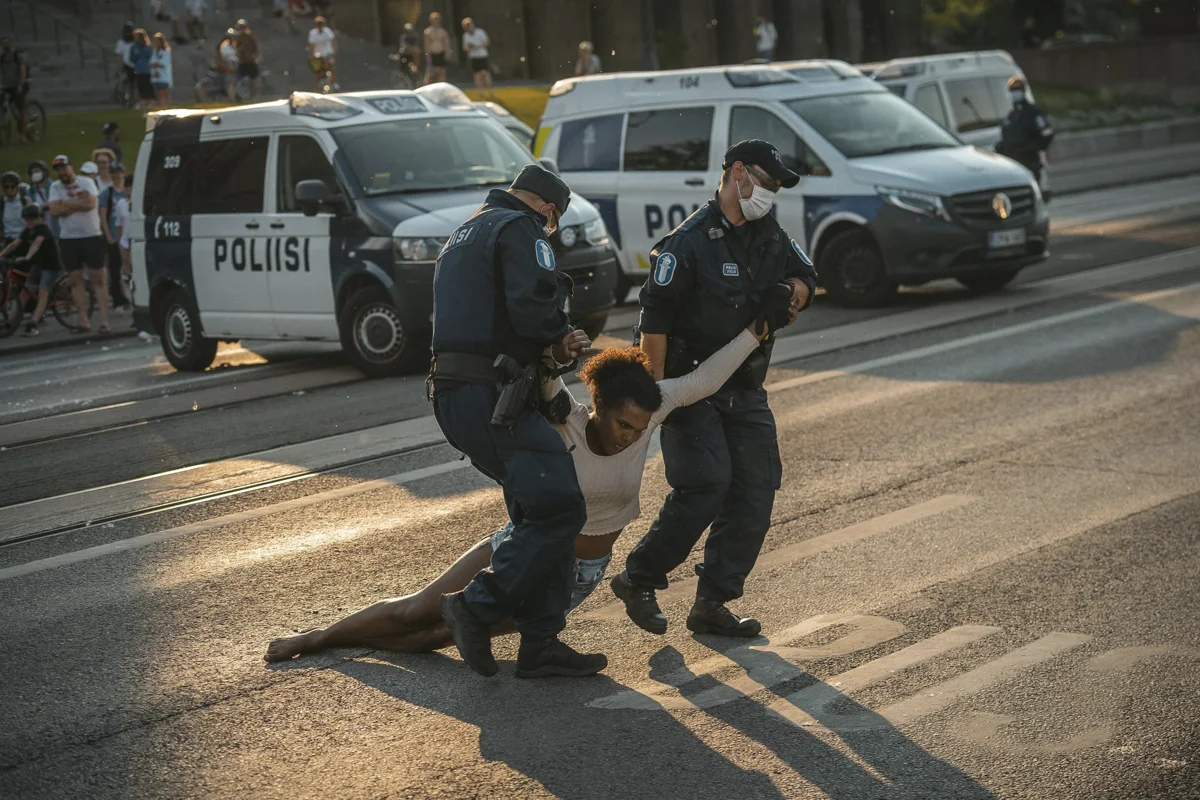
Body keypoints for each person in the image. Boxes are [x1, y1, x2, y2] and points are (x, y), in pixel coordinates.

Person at [264, 319, 784, 664]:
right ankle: (317, 639)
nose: (631, 435)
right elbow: (539, 373)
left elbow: (707, 379)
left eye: (638, 428)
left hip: (578, 576)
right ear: (598, 405)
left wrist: (756, 331)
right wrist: (556, 347)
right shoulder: (564, 420)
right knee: (417, 611)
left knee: (435, 639)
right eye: (623, 424)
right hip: (522, 547)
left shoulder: (652, 408)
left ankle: (364, 646)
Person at [610, 139, 817, 638]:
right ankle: (638, 577)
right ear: (738, 173)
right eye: (765, 183)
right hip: (690, 388)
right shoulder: (689, 244)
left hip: (744, 387)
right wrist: (654, 399)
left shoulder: (769, 234)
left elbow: (807, 276)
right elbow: (653, 325)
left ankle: (713, 603)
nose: (769, 194)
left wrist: (791, 294)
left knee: (755, 491)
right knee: (706, 484)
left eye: (775, 188)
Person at [425, 164, 600, 679]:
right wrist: (561, 334)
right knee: (562, 507)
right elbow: (531, 308)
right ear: (548, 210)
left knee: (536, 507)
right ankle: (475, 607)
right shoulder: (520, 229)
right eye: (553, 224)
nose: (550, 233)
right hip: (490, 396)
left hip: (460, 393)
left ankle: (541, 643)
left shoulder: (466, 231)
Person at [48, 155, 111, 335]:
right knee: (75, 280)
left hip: (91, 236)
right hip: (68, 238)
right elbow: (54, 210)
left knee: (98, 278)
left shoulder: (86, 182)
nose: (62, 172)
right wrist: (76, 204)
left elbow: (90, 204)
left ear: (71, 167)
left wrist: (64, 203)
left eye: (64, 168)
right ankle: (84, 320)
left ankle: (105, 321)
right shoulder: (55, 187)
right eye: (58, 169)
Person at [0, 204, 61, 337]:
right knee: (25, 293)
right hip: (38, 265)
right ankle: (12, 320)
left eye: (32, 219)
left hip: (50, 266)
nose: (29, 221)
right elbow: (15, 244)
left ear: (40, 218)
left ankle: (33, 323)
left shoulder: (43, 229)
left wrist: (27, 257)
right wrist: (1, 255)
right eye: (27, 219)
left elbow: (36, 244)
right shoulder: (28, 230)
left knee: (43, 292)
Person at [997, 76, 1054, 195]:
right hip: (1014, 165)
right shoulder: (1011, 116)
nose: (1015, 93)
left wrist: (1032, 148)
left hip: (1030, 163)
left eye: (1018, 89)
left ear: (1023, 91)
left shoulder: (1034, 112)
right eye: (1012, 90)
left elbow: (1047, 134)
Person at [99, 162, 129, 310]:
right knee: (115, 269)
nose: (116, 175)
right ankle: (119, 299)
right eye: (113, 173)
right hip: (113, 235)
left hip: (127, 234)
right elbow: (104, 217)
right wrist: (109, 236)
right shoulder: (107, 193)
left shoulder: (127, 191)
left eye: (118, 172)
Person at [0, 36, 29, 143]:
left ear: (11, 43)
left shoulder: (16, 56)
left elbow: (22, 70)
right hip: (6, 86)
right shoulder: (2, 57)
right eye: (3, 43)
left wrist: (20, 85)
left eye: (7, 43)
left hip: (17, 86)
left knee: (22, 110)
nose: (5, 45)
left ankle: (23, 136)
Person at [461, 17, 493, 99]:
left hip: (482, 55)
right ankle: (480, 92)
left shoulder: (480, 32)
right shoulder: (466, 36)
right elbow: (465, 48)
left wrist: (477, 46)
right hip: (474, 57)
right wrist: (469, 47)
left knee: (486, 74)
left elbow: (486, 43)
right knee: (477, 75)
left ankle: (490, 91)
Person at [308, 16, 338, 91]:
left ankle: (334, 83)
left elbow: (333, 42)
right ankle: (316, 88)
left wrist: (334, 51)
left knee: (331, 67)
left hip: (328, 52)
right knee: (318, 72)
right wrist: (311, 56)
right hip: (318, 54)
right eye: (318, 25)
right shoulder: (312, 33)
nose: (320, 26)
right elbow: (311, 45)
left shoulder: (328, 31)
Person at [1, 171, 30, 247]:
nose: (10, 189)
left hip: (24, 240)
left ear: (17, 187)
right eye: (7, 187)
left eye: (12, 186)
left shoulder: (25, 202)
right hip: (6, 241)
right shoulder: (1, 203)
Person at [235, 20, 261, 99]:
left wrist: (255, 56)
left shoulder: (250, 37)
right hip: (242, 61)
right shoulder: (238, 38)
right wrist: (240, 50)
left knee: (253, 79)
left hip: (250, 61)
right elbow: (236, 48)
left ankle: (254, 94)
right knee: (240, 79)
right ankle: (240, 95)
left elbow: (256, 48)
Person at [423, 12, 451, 84]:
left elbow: (446, 44)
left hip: (441, 54)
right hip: (432, 54)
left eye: (437, 19)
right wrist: (428, 57)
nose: (436, 21)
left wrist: (447, 54)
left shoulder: (443, 32)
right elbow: (426, 45)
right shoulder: (427, 32)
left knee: (442, 73)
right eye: (434, 19)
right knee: (429, 75)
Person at [130, 29, 155, 110]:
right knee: (141, 86)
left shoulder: (148, 47)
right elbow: (132, 58)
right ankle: (143, 101)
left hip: (147, 70)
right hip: (139, 70)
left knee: (148, 86)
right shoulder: (134, 47)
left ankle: (150, 102)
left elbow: (150, 57)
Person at [115, 24, 138, 105]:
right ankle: (128, 101)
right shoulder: (121, 42)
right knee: (128, 85)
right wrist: (119, 66)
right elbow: (119, 55)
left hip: (136, 65)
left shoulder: (135, 41)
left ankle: (135, 101)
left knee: (135, 85)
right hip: (127, 66)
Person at [26, 160, 53, 230]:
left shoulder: (54, 186)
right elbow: (29, 206)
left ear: (45, 172)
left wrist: (38, 207)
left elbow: (55, 203)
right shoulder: (30, 190)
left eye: (36, 171)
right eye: (32, 173)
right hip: (40, 227)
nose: (34, 174)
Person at [151, 32, 174, 107]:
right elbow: (151, 62)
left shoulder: (165, 52)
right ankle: (160, 107)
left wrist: (156, 64)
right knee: (158, 94)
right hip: (156, 76)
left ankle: (166, 108)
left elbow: (163, 63)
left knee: (165, 94)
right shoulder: (154, 52)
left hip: (164, 76)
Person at [217, 29, 240, 102]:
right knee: (230, 82)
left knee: (233, 82)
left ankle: (234, 96)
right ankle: (231, 99)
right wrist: (231, 65)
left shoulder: (233, 45)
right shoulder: (225, 45)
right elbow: (226, 57)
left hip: (233, 64)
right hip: (227, 66)